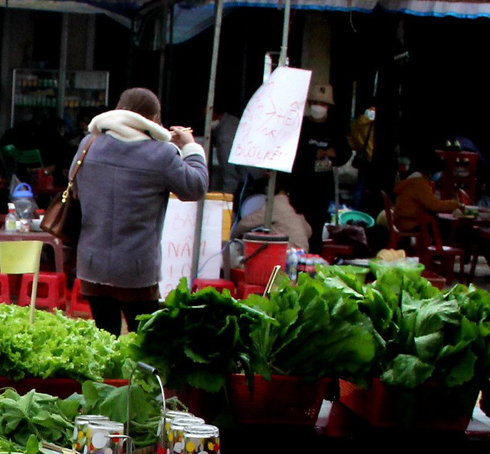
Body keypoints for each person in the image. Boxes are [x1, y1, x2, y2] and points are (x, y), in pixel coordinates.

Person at [65, 86, 205, 334]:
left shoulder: (89, 143)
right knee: (145, 343)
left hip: (91, 264)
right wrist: (191, 148)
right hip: (136, 270)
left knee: (104, 341)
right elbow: (195, 187)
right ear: (152, 119)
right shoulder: (162, 154)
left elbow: (74, 185)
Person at [289, 81, 346, 251]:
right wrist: (313, 154)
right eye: (315, 103)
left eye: (322, 104)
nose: (318, 107)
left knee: (317, 224)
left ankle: (314, 257)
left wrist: (332, 154)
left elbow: (345, 153)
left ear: (328, 106)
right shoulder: (301, 125)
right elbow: (293, 152)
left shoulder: (334, 128)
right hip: (300, 184)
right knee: (298, 224)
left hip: (322, 186)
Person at [390, 160, 464, 239]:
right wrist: (456, 204)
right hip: (411, 223)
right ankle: (439, 250)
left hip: (403, 221)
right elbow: (435, 205)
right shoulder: (419, 183)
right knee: (445, 227)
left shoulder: (412, 181)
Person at [232, 185, 311, 251]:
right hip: (302, 252)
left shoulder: (276, 203)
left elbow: (247, 223)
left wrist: (230, 236)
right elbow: (309, 230)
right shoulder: (289, 205)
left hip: (288, 253)